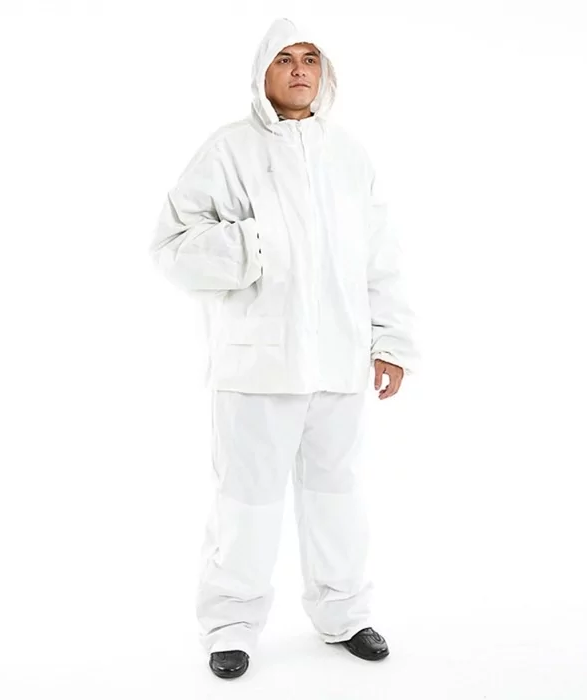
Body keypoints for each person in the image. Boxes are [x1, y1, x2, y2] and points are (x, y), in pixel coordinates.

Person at [148, 16, 420, 679]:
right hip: (257, 365)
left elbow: (379, 257)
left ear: (325, 73)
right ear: (262, 72)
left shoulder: (349, 156)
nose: (300, 69)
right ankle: (230, 625)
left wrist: (390, 341)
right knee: (246, 503)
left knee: (337, 497)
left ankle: (344, 613)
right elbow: (172, 246)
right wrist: (254, 244)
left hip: (339, 363)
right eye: (285, 59)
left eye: (310, 59)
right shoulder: (229, 150)